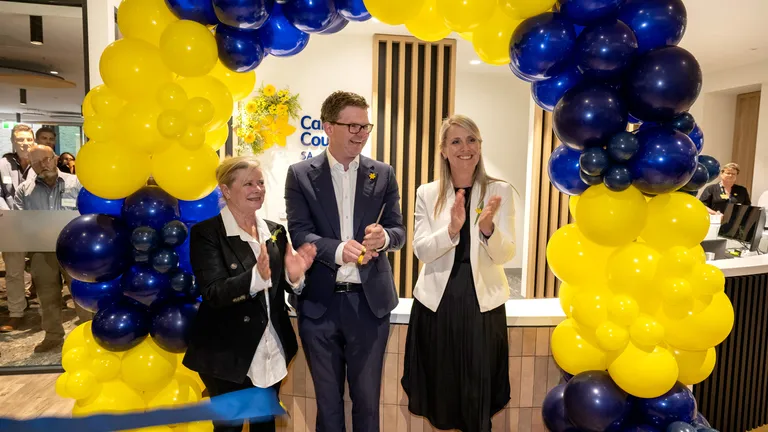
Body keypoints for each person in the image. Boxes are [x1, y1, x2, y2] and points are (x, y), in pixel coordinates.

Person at [284, 91, 406, 432]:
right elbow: (300, 232)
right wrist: (339, 251)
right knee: (328, 406)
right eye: (352, 125)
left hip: (370, 306)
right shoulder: (301, 174)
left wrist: (385, 238)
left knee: (367, 405)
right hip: (319, 307)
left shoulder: (382, 173)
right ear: (328, 127)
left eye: (365, 126)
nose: (361, 133)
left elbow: (398, 229)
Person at [183, 156, 316, 432]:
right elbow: (214, 293)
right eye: (248, 184)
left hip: (272, 350)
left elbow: (287, 288)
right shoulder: (206, 233)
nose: (258, 189)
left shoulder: (276, 232)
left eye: (261, 182)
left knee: (264, 425)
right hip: (226, 355)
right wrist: (256, 278)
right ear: (226, 190)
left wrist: (296, 276)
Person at [401, 115, 516, 432]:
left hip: (482, 305)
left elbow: (506, 254)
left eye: (472, 140)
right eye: (456, 141)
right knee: (444, 394)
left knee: (477, 397)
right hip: (438, 304)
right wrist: (451, 230)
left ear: (480, 145)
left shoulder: (499, 191)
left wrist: (488, 229)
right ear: (443, 149)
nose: (465, 148)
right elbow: (422, 250)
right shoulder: (427, 193)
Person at [15, 145, 88, 351]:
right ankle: (53, 335)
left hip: (75, 249)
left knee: (81, 291)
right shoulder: (24, 190)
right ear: (31, 164)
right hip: (41, 251)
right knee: (47, 295)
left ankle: (88, 333)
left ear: (55, 158)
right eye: (36, 162)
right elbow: (20, 220)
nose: (43, 165)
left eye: (47, 159)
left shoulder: (78, 184)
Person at [0, 124, 35, 332]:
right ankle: (16, 313)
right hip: (11, 224)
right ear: (13, 141)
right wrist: (9, 214)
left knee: (42, 269)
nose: (24, 143)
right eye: (20, 139)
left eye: (28, 139)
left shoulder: (40, 161)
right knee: (13, 271)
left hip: (38, 224)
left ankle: (41, 306)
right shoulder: (2, 164)